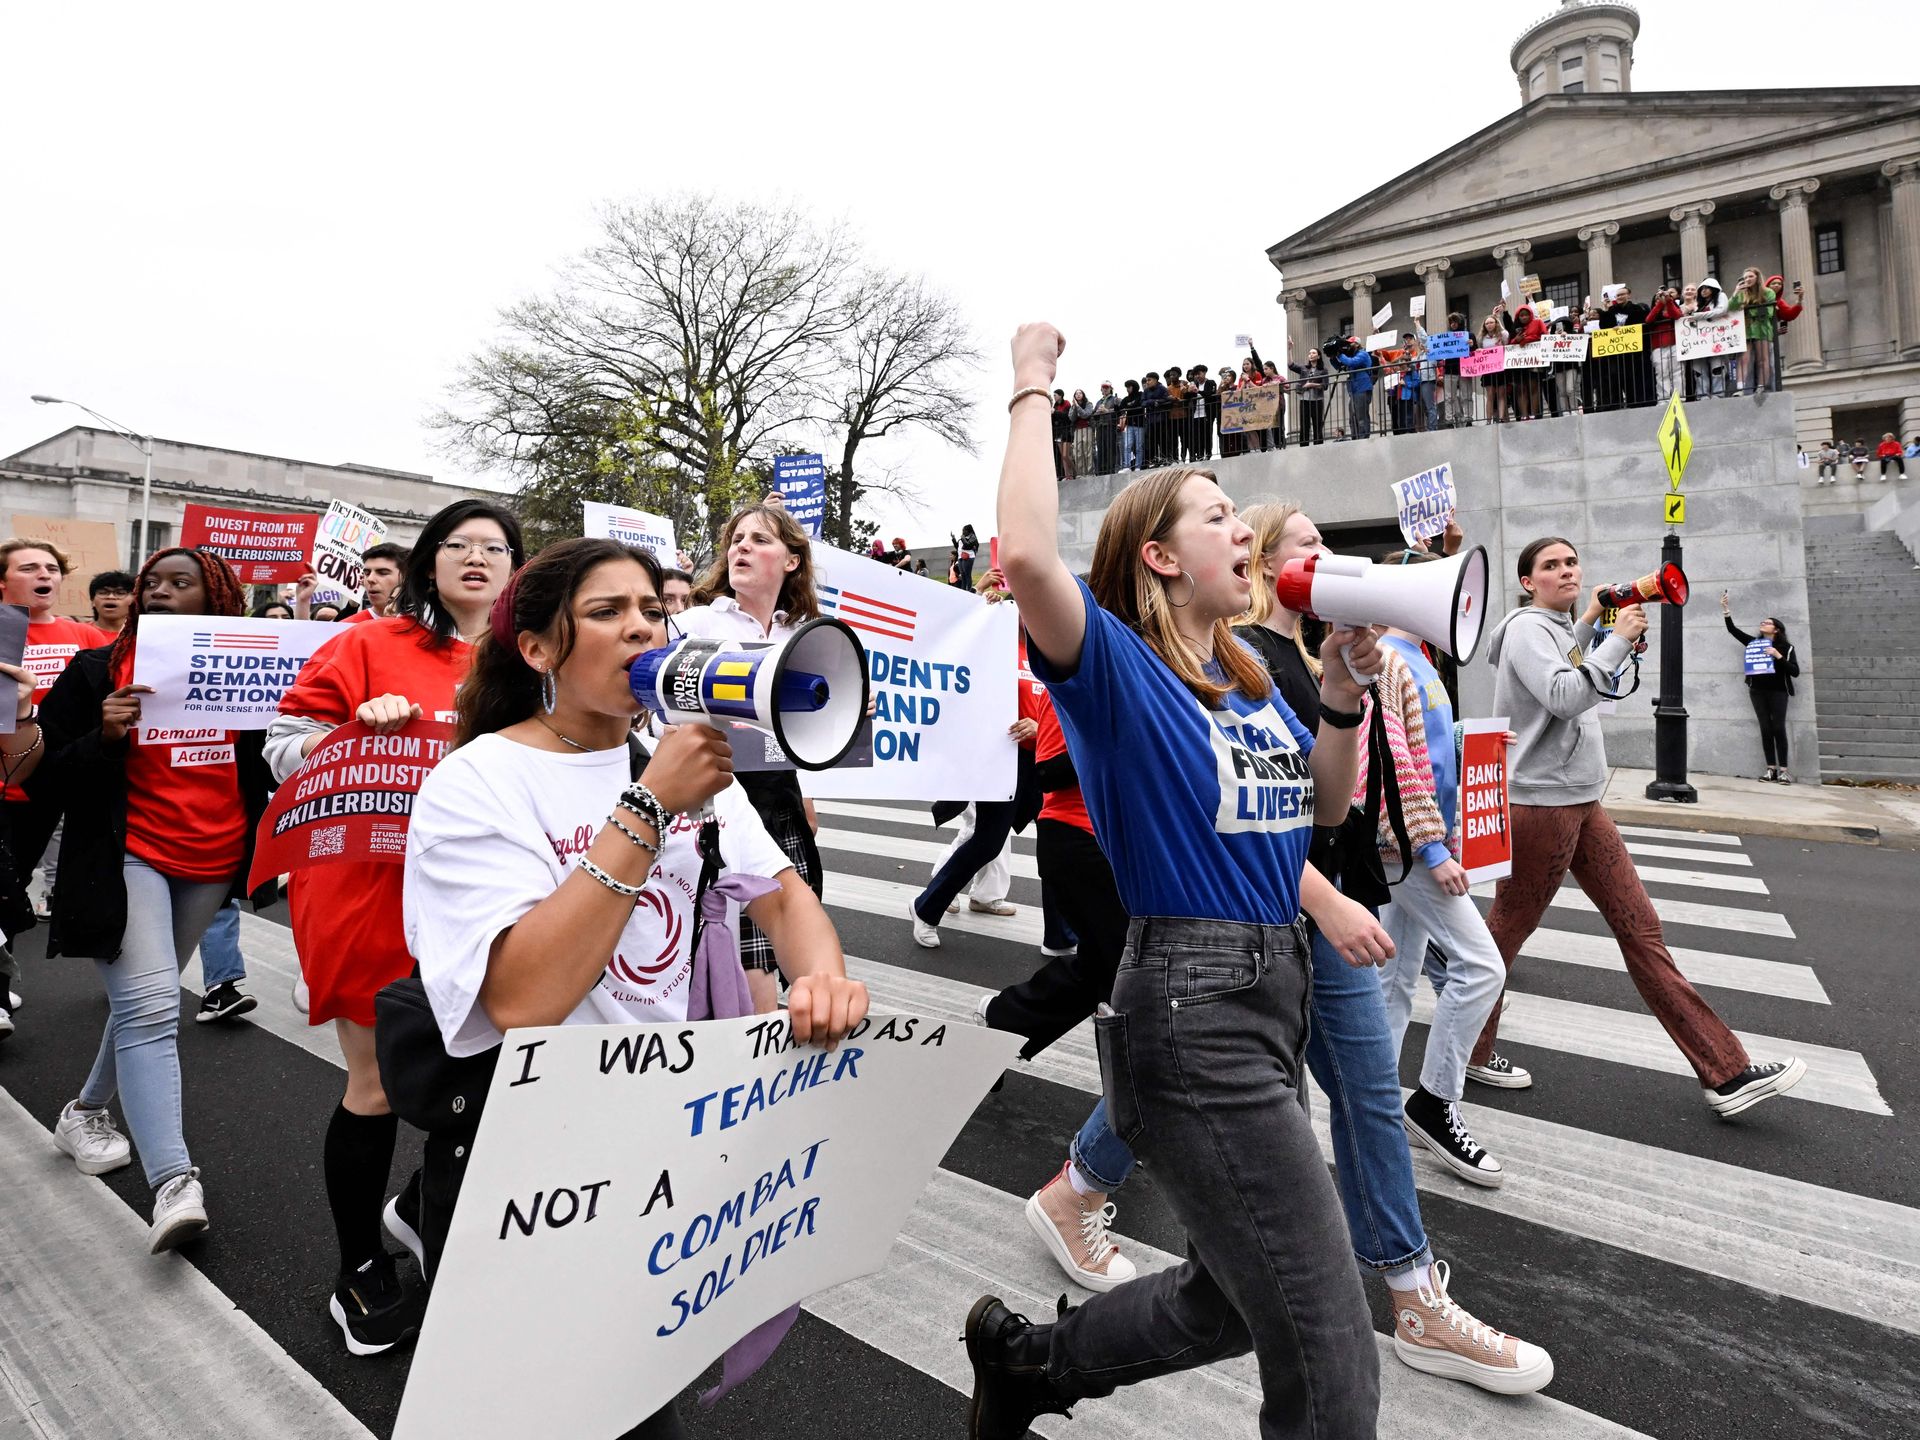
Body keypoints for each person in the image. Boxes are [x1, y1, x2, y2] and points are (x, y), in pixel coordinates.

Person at [966, 321, 1390, 1440]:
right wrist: (1030, 385)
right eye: (1213, 514)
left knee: (1234, 1297)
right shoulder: (1112, 665)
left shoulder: (1248, 677)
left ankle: (1030, 1365)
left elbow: (1329, 811)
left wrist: (1342, 698)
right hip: (1190, 1004)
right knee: (1331, 1343)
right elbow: (1022, 558)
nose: (1239, 530)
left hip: (1271, 992)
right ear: (1158, 554)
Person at [405, 537, 867, 1440]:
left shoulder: (685, 763)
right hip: (529, 1155)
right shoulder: (479, 781)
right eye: (606, 613)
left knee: (630, 1389)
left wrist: (825, 980)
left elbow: (787, 902)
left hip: (653, 1142)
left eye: (651, 612)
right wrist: (650, 806)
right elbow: (522, 997)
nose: (640, 630)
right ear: (538, 650)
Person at [1233, 504, 1547, 1388]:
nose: (1326, 556)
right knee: (1200, 1093)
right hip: (1268, 918)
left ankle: (1412, 1294)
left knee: (1370, 1092)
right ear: (1264, 562)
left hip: (1328, 912)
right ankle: (1081, 1185)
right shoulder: (1240, 658)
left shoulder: (1307, 655)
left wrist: (1346, 683)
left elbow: (1334, 802)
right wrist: (1330, 895)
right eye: (1308, 544)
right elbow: (1242, 813)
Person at [266, 498, 524, 1355]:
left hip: (490, 895)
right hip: (370, 886)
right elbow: (280, 742)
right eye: (461, 546)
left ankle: (421, 1206)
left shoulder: (535, 661)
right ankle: (359, 1268)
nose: (479, 560)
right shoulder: (367, 644)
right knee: (375, 1083)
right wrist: (341, 734)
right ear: (429, 562)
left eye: (497, 548)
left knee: (492, 1072)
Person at [1471, 539, 1806, 1116]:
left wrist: (1591, 622)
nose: (1566, 570)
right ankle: (1469, 1050)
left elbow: (1569, 663)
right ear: (1528, 581)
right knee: (1503, 935)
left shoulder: (1554, 627)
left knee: (1641, 928)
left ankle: (1726, 1073)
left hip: (1580, 801)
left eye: (1571, 561)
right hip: (1542, 808)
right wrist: (1619, 639)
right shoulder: (1526, 628)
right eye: (1550, 566)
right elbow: (1564, 692)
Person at [27, 547, 271, 1253]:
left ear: (216, 596)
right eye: (150, 583)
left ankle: (83, 1112)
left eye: (179, 582)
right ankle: (173, 1182)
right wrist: (104, 739)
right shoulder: (96, 671)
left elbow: (274, 755)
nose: (159, 592)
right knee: (154, 1008)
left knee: (150, 998)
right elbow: (47, 780)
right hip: (127, 857)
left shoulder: (250, 671)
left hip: (212, 860)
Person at [1361, 552, 1510, 1186]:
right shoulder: (1395, 662)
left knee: (1394, 983)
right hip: (1411, 849)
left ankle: (1372, 1114)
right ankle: (1433, 1101)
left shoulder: (1415, 660)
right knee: (1481, 968)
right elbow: (1399, 765)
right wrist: (1435, 850)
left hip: (1411, 845)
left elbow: (1428, 758)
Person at [680, 502, 833, 1013]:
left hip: (780, 802)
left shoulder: (803, 635)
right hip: (721, 801)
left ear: (792, 560)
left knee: (779, 945)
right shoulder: (694, 622)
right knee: (747, 971)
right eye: (737, 538)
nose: (741, 546)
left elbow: (800, 736)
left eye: (760, 539)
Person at [1721, 592, 1801, 783]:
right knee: (1765, 728)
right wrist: (1726, 610)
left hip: (1778, 692)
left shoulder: (1786, 648)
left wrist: (1777, 655)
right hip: (1757, 691)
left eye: (1768, 622)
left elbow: (1795, 671)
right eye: (1763, 621)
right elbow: (1733, 630)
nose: (1763, 623)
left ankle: (1784, 771)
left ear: (1776, 630)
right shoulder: (1753, 643)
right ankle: (1770, 769)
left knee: (1778, 728)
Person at [1730, 268, 1777, 395]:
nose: (1747, 280)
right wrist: (1736, 292)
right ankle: (1740, 388)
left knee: (1763, 359)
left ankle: (1761, 386)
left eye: (1750, 276)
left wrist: (1747, 310)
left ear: (1757, 278)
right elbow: (1730, 308)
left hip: (1762, 330)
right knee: (1743, 359)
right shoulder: (1742, 294)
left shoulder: (1768, 292)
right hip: (1746, 331)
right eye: (1745, 278)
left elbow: (1768, 312)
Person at [341, 542, 409, 624]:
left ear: (406, 577)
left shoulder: (424, 625)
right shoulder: (346, 627)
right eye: (367, 573)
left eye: (382, 572)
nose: (370, 579)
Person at [1331, 336, 1374, 440]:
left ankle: (1363, 437)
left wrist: (1340, 354)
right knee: (1352, 416)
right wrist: (1333, 357)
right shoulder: (1351, 356)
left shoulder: (1362, 354)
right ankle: (1355, 437)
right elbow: (1340, 367)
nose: (1348, 346)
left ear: (1357, 344)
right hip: (1354, 390)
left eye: (1350, 343)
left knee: (1361, 415)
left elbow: (1351, 363)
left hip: (1362, 387)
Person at [1289, 346, 1328, 445]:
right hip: (1304, 400)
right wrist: (1290, 349)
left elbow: (1325, 386)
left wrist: (1311, 385)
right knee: (1304, 425)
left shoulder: (1323, 370)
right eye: (1310, 353)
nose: (1311, 354)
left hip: (1317, 400)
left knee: (1317, 424)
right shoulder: (1304, 368)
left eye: (1313, 353)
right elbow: (1291, 365)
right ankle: (1304, 446)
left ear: (1318, 356)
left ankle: (1318, 445)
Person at [87, 571, 136, 635]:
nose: (110, 597)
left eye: (120, 593)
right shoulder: (78, 632)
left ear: (134, 600)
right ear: (92, 600)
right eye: (103, 593)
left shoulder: (140, 636)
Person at [1114, 379, 1146, 471]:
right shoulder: (1126, 399)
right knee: (1127, 446)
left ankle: (1138, 466)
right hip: (1130, 425)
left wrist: (1128, 407)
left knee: (1139, 446)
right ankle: (1127, 466)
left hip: (1140, 424)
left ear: (1134, 387)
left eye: (1129, 387)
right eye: (1127, 387)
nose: (1127, 389)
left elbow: (1138, 404)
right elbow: (1119, 411)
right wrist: (1116, 404)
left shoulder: (1140, 395)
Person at [954, 524, 979, 592]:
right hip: (960, 557)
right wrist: (954, 539)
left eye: (964, 530)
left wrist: (962, 538)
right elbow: (957, 547)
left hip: (968, 557)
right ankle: (963, 590)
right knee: (962, 574)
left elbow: (967, 544)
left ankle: (969, 590)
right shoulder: (964, 537)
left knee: (967, 574)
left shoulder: (972, 537)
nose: (963, 532)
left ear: (968, 531)